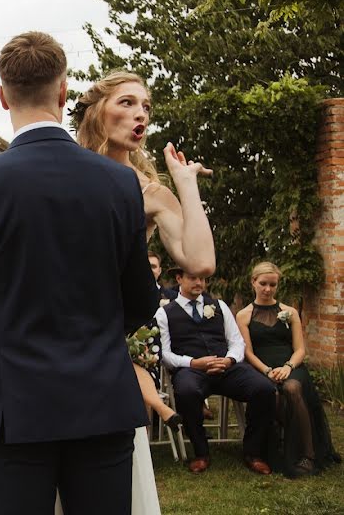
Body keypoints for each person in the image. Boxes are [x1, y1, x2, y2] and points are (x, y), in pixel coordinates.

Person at [0, 32, 158, 515]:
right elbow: (141, 296)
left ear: (2, 96)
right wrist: (94, 343)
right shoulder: (118, 181)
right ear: (62, 92)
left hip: (11, 407)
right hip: (101, 398)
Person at [72, 70, 218, 510]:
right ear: (97, 111)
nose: (141, 115)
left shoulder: (148, 191)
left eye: (146, 107)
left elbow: (200, 261)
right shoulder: (62, 174)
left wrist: (185, 184)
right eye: (127, 103)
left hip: (110, 341)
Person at [156, 268, 276, 474]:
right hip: (191, 370)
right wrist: (194, 363)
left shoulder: (218, 306)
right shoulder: (164, 313)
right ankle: (201, 452)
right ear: (179, 279)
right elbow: (165, 354)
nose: (199, 283)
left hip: (226, 368)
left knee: (264, 388)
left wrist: (229, 360)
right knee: (186, 392)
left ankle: (252, 452)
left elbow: (237, 342)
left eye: (202, 279)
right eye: (193, 278)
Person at [236, 262, 340, 477]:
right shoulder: (244, 315)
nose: (268, 289)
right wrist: (267, 371)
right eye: (263, 283)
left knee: (292, 388)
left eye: (272, 284)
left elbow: (300, 349)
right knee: (271, 393)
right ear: (253, 282)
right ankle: (275, 448)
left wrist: (288, 366)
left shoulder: (289, 312)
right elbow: (248, 353)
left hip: (291, 365)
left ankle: (307, 455)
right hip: (262, 368)